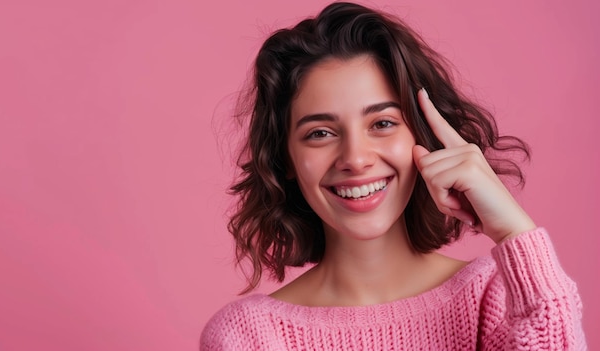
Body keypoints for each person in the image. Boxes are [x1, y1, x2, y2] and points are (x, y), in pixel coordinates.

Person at [200, 2, 586, 350]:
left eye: (382, 123)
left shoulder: (497, 297)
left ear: (424, 136)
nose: (355, 158)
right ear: (285, 158)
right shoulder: (248, 337)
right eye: (320, 133)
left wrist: (514, 233)